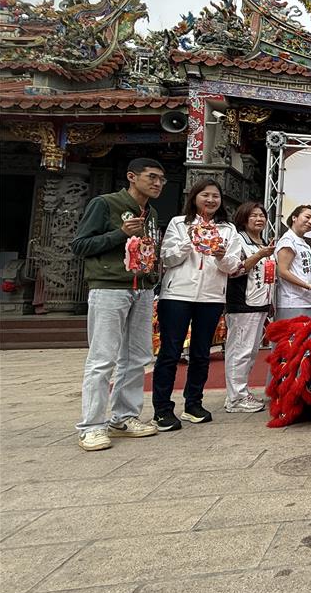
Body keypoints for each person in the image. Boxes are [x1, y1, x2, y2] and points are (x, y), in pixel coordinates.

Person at [71, 157, 164, 450]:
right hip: (110, 286)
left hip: (142, 288)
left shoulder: (151, 213)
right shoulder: (105, 204)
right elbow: (80, 245)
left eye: (161, 179)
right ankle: (91, 426)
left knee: (138, 357)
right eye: (152, 177)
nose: (158, 183)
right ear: (132, 177)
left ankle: (123, 418)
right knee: (103, 358)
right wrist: (120, 233)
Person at [151, 179, 242, 431]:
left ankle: (193, 404)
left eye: (215, 196)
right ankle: (162, 409)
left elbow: (233, 266)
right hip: (177, 295)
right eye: (205, 195)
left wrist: (221, 256)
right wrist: (189, 241)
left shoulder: (228, 230)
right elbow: (167, 258)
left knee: (201, 354)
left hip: (211, 297)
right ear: (194, 197)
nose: (211, 200)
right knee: (170, 352)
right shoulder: (179, 224)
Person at [223, 201, 274, 414]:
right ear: (244, 218)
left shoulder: (263, 242)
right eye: (254, 215)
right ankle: (235, 398)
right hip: (242, 303)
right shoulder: (238, 239)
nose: (259, 219)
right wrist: (260, 255)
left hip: (260, 304)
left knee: (251, 351)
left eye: (262, 215)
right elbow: (233, 270)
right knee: (239, 350)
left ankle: (241, 392)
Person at [275, 204, 311, 321]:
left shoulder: (302, 242)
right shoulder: (288, 240)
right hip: (293, 302)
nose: (310, 222)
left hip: (309, 301)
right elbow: (282, 271)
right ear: (294, 217)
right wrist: (308, 286)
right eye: (307, 217)